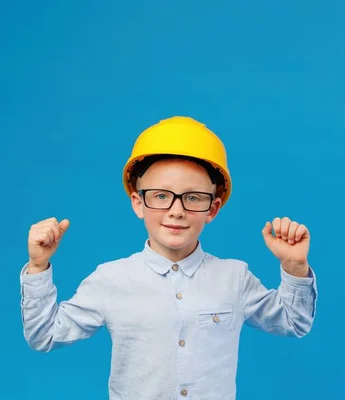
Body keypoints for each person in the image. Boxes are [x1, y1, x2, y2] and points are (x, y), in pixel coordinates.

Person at [19, 116, 318, 399]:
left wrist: (294, 267)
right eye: (161, 195)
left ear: (212, 209)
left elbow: (294, 323)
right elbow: (44, 336)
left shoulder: (234, 278)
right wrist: (38, 267)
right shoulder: (110, 279)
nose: (176, 210)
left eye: (192, 198)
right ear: (138, 203)